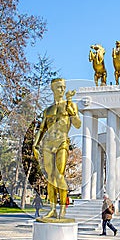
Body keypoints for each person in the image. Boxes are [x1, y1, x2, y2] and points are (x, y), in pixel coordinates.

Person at [33, 78, 81, 219]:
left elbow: (77, 124)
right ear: (53, 89)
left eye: (63, 87)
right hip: (48, 145)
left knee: (59, 175)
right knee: (50, 177)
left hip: (62, 143)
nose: (62, 90)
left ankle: (62, 210)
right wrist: (34, 144)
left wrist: (73, 111)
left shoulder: (69, 106)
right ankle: (52, 209)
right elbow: (41, 129)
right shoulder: (47, 110)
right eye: (59, 87)